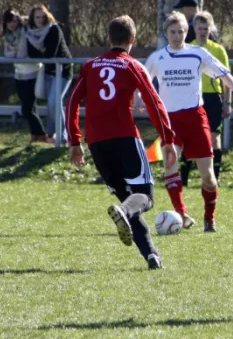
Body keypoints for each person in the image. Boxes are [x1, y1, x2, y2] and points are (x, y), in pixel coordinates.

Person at [65, 15, 177, 270]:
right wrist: (167, 139)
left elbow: (72, 102)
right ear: (132, 40)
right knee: (144, 197)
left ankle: (152, 255)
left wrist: (74, 140)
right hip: (125, 137)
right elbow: (153, 102)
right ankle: (125, 213)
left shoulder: (90, 66)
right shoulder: (132, 65)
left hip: (97, 143)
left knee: (129, 200)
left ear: (108, 38)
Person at [145, 11, 233, 233]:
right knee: (170, 166)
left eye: (181, 31)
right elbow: (143, 80)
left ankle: (209, 218)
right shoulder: (157, 57)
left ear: (187, 32)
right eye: (173, 32)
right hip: (170, 121)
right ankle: (182, 214)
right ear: (166, 33)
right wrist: (137, 97)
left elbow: (224, 74)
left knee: (208, 177)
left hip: (195, 118)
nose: (177, 36)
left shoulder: (198, 54)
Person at [180, 11, 232, 186]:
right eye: (199, 28)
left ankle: (214, 178)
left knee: (214, 137)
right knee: (187, 137)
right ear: (193, 29)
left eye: (205, 28)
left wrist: (227, 102)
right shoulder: (187, 48)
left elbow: (226, 78)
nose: (202, 31)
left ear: (211, 29)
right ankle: (183, 179)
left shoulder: (218, 50)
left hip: (213, 98)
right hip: (192, 98)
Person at [26, 4, 73, 144]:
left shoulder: (54, 29)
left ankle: (64, 136)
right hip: (47, 71)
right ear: (32, 19)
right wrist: (42, 54)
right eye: (37, 17)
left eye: (42, 16)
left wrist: (42, 54)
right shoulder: (31, 32)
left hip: (62, 70)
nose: (40, 19)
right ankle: (51, 134)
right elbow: (32, 54)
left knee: (54, 102)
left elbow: (50, 53)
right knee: (50, 104)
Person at [1, 9, 47, 143]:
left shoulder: (25, 31)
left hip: (31, 72)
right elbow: (7, 53)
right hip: (19, 73)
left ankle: (42, 134)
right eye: (9, 21)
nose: (12, 24)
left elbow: (21, 53)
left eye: (15, 21)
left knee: (26, 109)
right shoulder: (8, 35)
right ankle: (35, 135)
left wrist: (14, 55)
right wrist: (13, 55)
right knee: (29, 107)